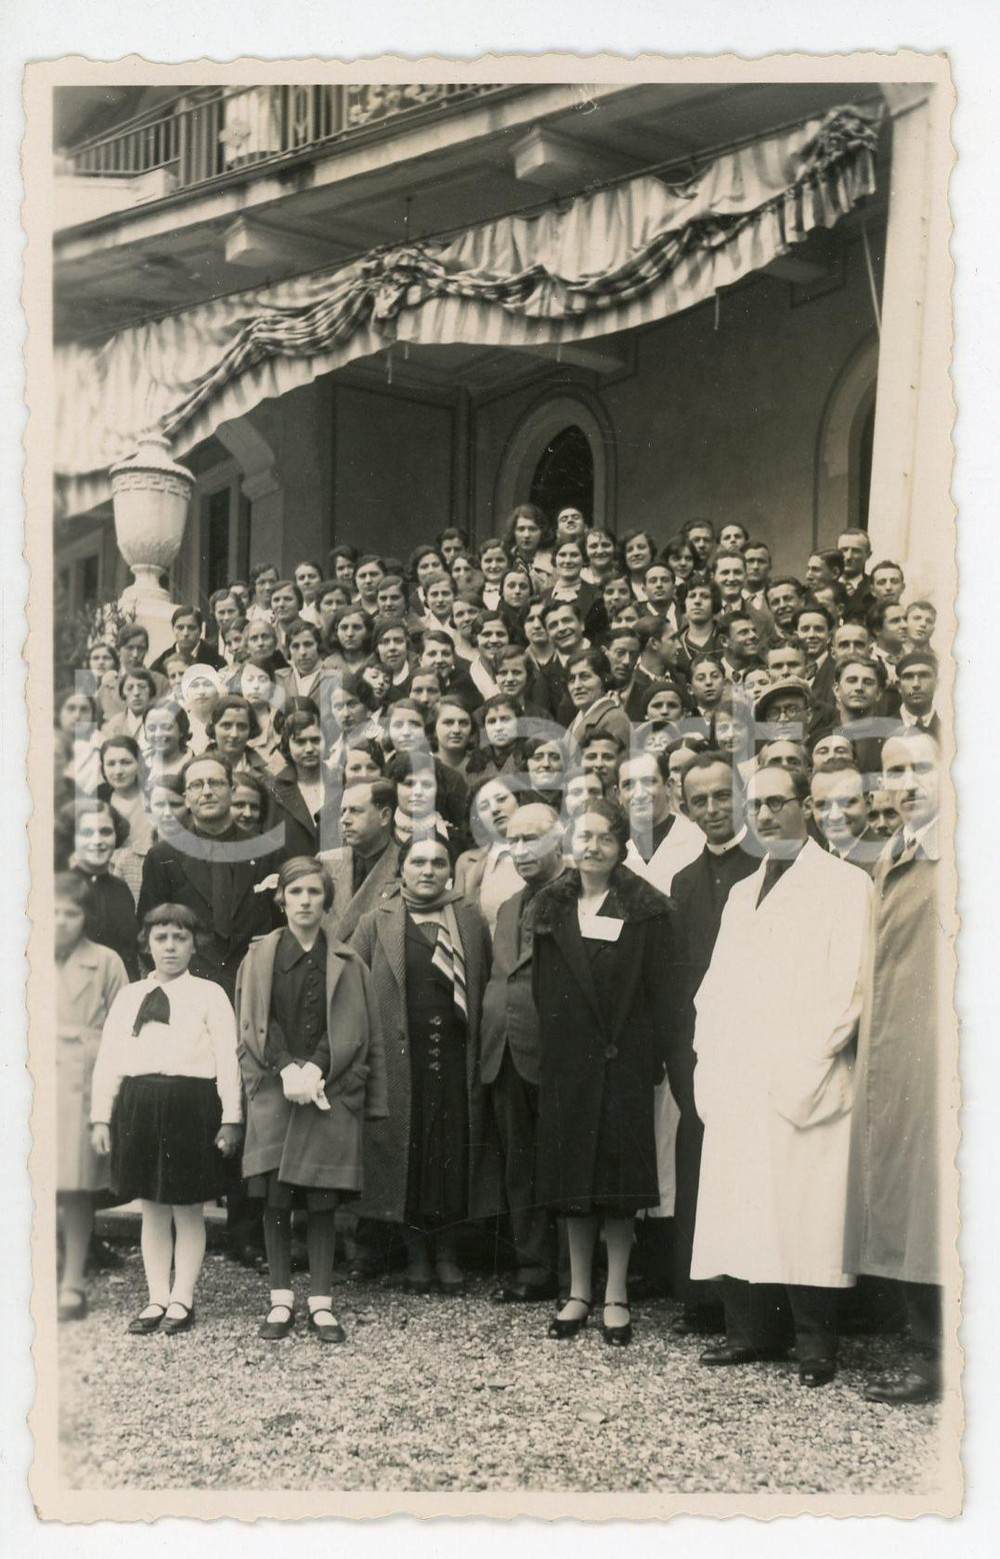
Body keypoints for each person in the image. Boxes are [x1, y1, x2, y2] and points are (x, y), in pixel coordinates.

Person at [691, 764, 873, 1387]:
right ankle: (751, 1333)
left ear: (806, 808)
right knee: (742, 1203)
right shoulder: (743, 891)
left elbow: (850, 987)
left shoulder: (845, 885)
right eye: (757, 805)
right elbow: (715, 987)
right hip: (741, 1072)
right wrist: (709, 1058)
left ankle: (816, 1345)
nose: (765, 815)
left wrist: (807, 1063)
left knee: (806, 1212)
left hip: (806, 1071)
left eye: (777, 802)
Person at [532, 800, 682, 1346]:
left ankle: (616, 1292)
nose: (592, 847)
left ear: (621, 847)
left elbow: (663, 993)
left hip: (624, 1063)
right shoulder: (551, 905)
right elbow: (543, 989)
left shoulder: (646, 908)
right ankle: (578, 1291)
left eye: (604, 838)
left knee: (618, 1187)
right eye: (584, 836)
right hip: (569, 1067)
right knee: (573, 1182)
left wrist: (655, 1058)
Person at [236, 857, 388, 1343]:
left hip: (330, 1090)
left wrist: (318, 1068)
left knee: (322, 1199)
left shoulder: (349, 962)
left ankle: (321, 1302)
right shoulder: (258, 957)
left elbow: (357, 1029)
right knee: (276, 1199)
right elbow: (253, 1023)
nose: (304, 901)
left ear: (327, 901)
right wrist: (286, 1068)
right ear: (281, 899)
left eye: (314, 893)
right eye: (296, 892)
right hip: (275, 1088)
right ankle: (280, 1299)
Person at [349, 837, 500, 1293]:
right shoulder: (377, 921)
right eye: (418, 862)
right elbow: (353, 990)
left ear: (450, 870)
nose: (428, 870)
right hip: (400, 1062)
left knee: (451, 1152)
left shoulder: (469, 919)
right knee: (407, 1154)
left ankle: (448, 1252)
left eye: (438, 862)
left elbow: (485, 982)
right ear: (402, 870)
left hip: (455, 1058)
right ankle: (415, 1254)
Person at [845, 730, 946, 1403]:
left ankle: (939, 1358)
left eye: (921, 767)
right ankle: (926, 1349)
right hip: (894, 1045)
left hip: (940, 1049)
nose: (906, 782)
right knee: (910, 1195)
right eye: (894, 770)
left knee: (936, 1199)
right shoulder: (895, 851)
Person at [90, 903, 244, 1335]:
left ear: (195, 945)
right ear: (147, 944)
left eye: (180, 938)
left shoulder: (210, 994)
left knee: (187, 1207)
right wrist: (100, 1117)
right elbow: (110, 1059)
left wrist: (232, 1117)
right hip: (140, 1106)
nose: (170, 947)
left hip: (191, 1107)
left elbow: (228, 1060)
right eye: (161, 938)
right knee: (152, 1208)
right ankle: (157, 1296)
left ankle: (183, 1298)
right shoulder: (129, 996)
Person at [667, 755, 759, 1334]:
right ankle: (701, 1299)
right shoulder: (683, 881)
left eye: (722, 796)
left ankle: (756, 1304)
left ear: (741, 795)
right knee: (698, 1160)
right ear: (685, 807)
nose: (712, 809)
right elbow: (679, 979)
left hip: (754, 1045)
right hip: (700, 1051)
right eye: (699, 801)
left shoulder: (767, 867)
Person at [480, 804, 565, 1303]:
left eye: (532, 838)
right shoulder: (509, 906)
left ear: (559, 839)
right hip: (505, 1049)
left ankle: (575, 1272)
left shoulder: (578, 896)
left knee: (564, 1162)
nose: (521, 849)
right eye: (512, 840)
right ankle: (533, 1268)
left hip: (556, 1050)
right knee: (519, 1163)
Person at [137, 754, 280, 1000]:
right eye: (196, 785)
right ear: (186, 798)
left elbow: (279, 928)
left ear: (232, 792)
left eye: (215, 783)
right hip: (187, 993)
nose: (206, 792)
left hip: (252, 989)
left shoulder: (266, 852)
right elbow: (148, 931)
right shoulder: (162, 857)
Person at [55, 874, 130, 1322]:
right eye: (54, 912)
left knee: (75, 1185)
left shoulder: (105, 962)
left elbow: (123, 1026)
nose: (61, 921)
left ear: (86, 917)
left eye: (72, 912)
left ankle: (72, 1281)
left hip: (82, 1083)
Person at [58, 798, 140, 977]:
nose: (97, 841)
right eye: (86, 833)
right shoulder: (60, 889)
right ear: (72, 838)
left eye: (106, 832)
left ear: (116, 836)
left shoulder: (120, 888)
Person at [317, 778, 401, 942]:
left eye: (355, 811)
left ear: (385, 816)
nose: (344, 820)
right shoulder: (326, 862)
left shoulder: (406, 867)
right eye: (343, 811)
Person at [453, 777, 522, 936]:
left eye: (501, 799)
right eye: (484, 806)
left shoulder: (546, 851)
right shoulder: (467, 862)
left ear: (519, 801)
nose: (495, 809)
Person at [810, 764, 880, 873]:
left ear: (868, 804)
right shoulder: (811, 863)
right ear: (811, 807)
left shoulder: (888, 859)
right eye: (822, 805)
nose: (835, 816)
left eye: (845, 802)